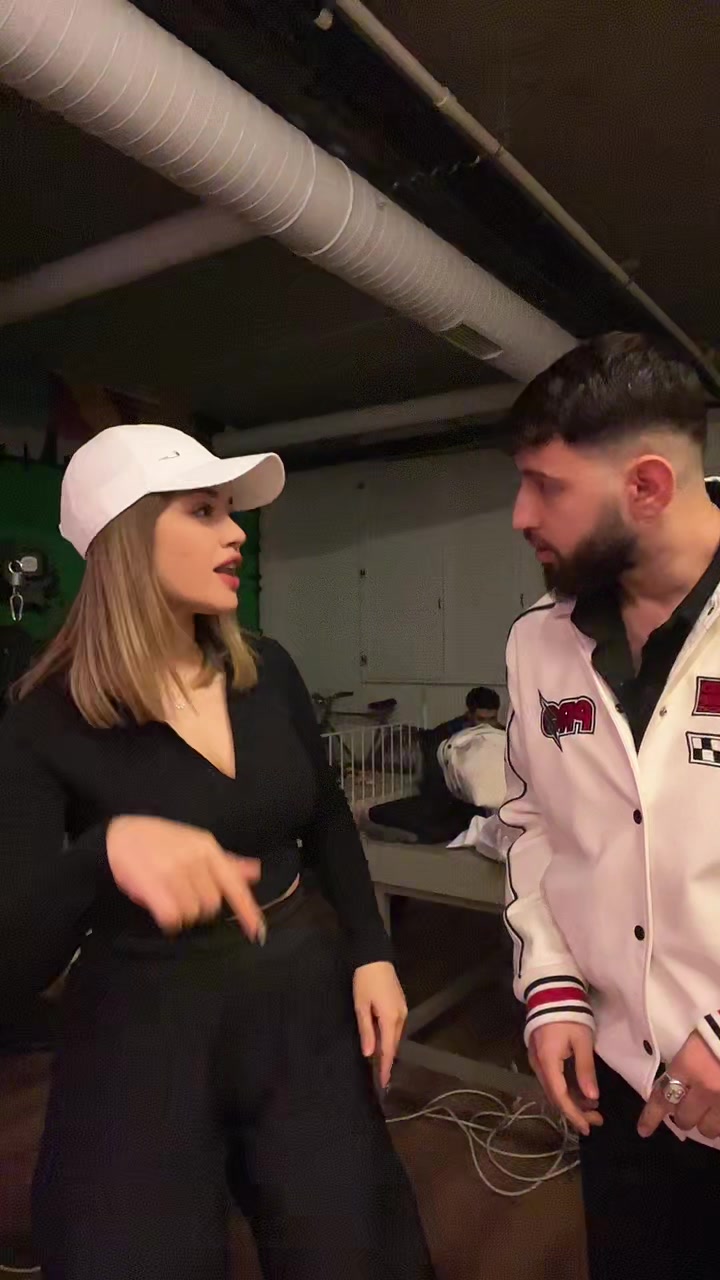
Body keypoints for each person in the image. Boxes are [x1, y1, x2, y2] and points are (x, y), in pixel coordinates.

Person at [0, 423, 435, 1280]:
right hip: (143, 1024)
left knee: (352, 1247)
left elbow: (328, 819)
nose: (237, 533)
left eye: (231, 511)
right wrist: (102, 853)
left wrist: (372, 952)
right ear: (127, 538)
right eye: (204, 511)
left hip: (300, 996)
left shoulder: (267, 670)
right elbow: (13, 960)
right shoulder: (42, 719)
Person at [501, 332, 720, 1280]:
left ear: (647, 486)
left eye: (545, 486)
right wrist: (552, 987)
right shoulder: (537, 645)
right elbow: (533, 827)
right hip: (622, 1093)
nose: (520, 515)